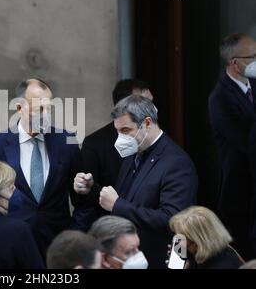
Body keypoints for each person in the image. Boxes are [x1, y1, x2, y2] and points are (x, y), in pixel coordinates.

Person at [74, 95, 198, 268]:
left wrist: (118, 205)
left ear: (147, 123)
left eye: (125, 130)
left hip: (159, 259)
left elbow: (172, 220)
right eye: (117, 131)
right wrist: (91, 189)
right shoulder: (134, 153)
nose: (120, 138)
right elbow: (126, 196)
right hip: (129, 257)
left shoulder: (176, 162)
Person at [0, 78, 93, 258]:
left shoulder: (66, 142)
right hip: (10, 246)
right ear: (19, 108)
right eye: (39, 109)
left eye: (49, 109)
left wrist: (75, 235)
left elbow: (83, 199)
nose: (46, 115)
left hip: (58, 249)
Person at [208, 33, 256, 259]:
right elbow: (245, 141)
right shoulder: (219, 99)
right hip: (241, 191)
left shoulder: (253, 83)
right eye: (253, 56)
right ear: (234, 63)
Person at [81, 79, 153, 219]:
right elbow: (85, 204)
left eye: (152, 104)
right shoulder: (95, 144)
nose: (153, 110)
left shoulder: (158, 143)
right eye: (146, 104)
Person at [169, 206, 244, 269]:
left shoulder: (223, 265)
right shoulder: (200, 252)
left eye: (181, 238)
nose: (177, 242)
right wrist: (177, 263)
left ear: (197, 243)